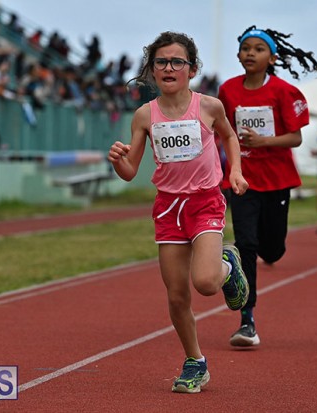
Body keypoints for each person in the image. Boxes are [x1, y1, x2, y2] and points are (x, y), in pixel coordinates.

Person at [107, 31, 250, 394]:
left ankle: (227, 267)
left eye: (177, 62)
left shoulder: (209, 107)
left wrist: (234, 171)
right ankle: (195, 361)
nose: (169, 68)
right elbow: (130, 171)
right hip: (169, 208)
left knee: (205, 283)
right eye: (161, 62)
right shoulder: (144, 115)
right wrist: (119, 161)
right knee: (176, 296)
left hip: (205, 202)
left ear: (192, 69)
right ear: (152, 70)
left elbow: (229, 137)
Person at [217, 25, 317, 347]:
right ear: (238, 55)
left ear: (272, 58)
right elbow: (222, 132)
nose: (250, 53)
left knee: (272, 249)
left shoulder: (283, 92)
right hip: (242, 179)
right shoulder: (227, 91)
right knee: (246, 244)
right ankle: (246, 320)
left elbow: (296, 137)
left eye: (258, 49)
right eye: (246, 48)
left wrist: (263, 141)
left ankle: (265, 249)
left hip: (277, 180)